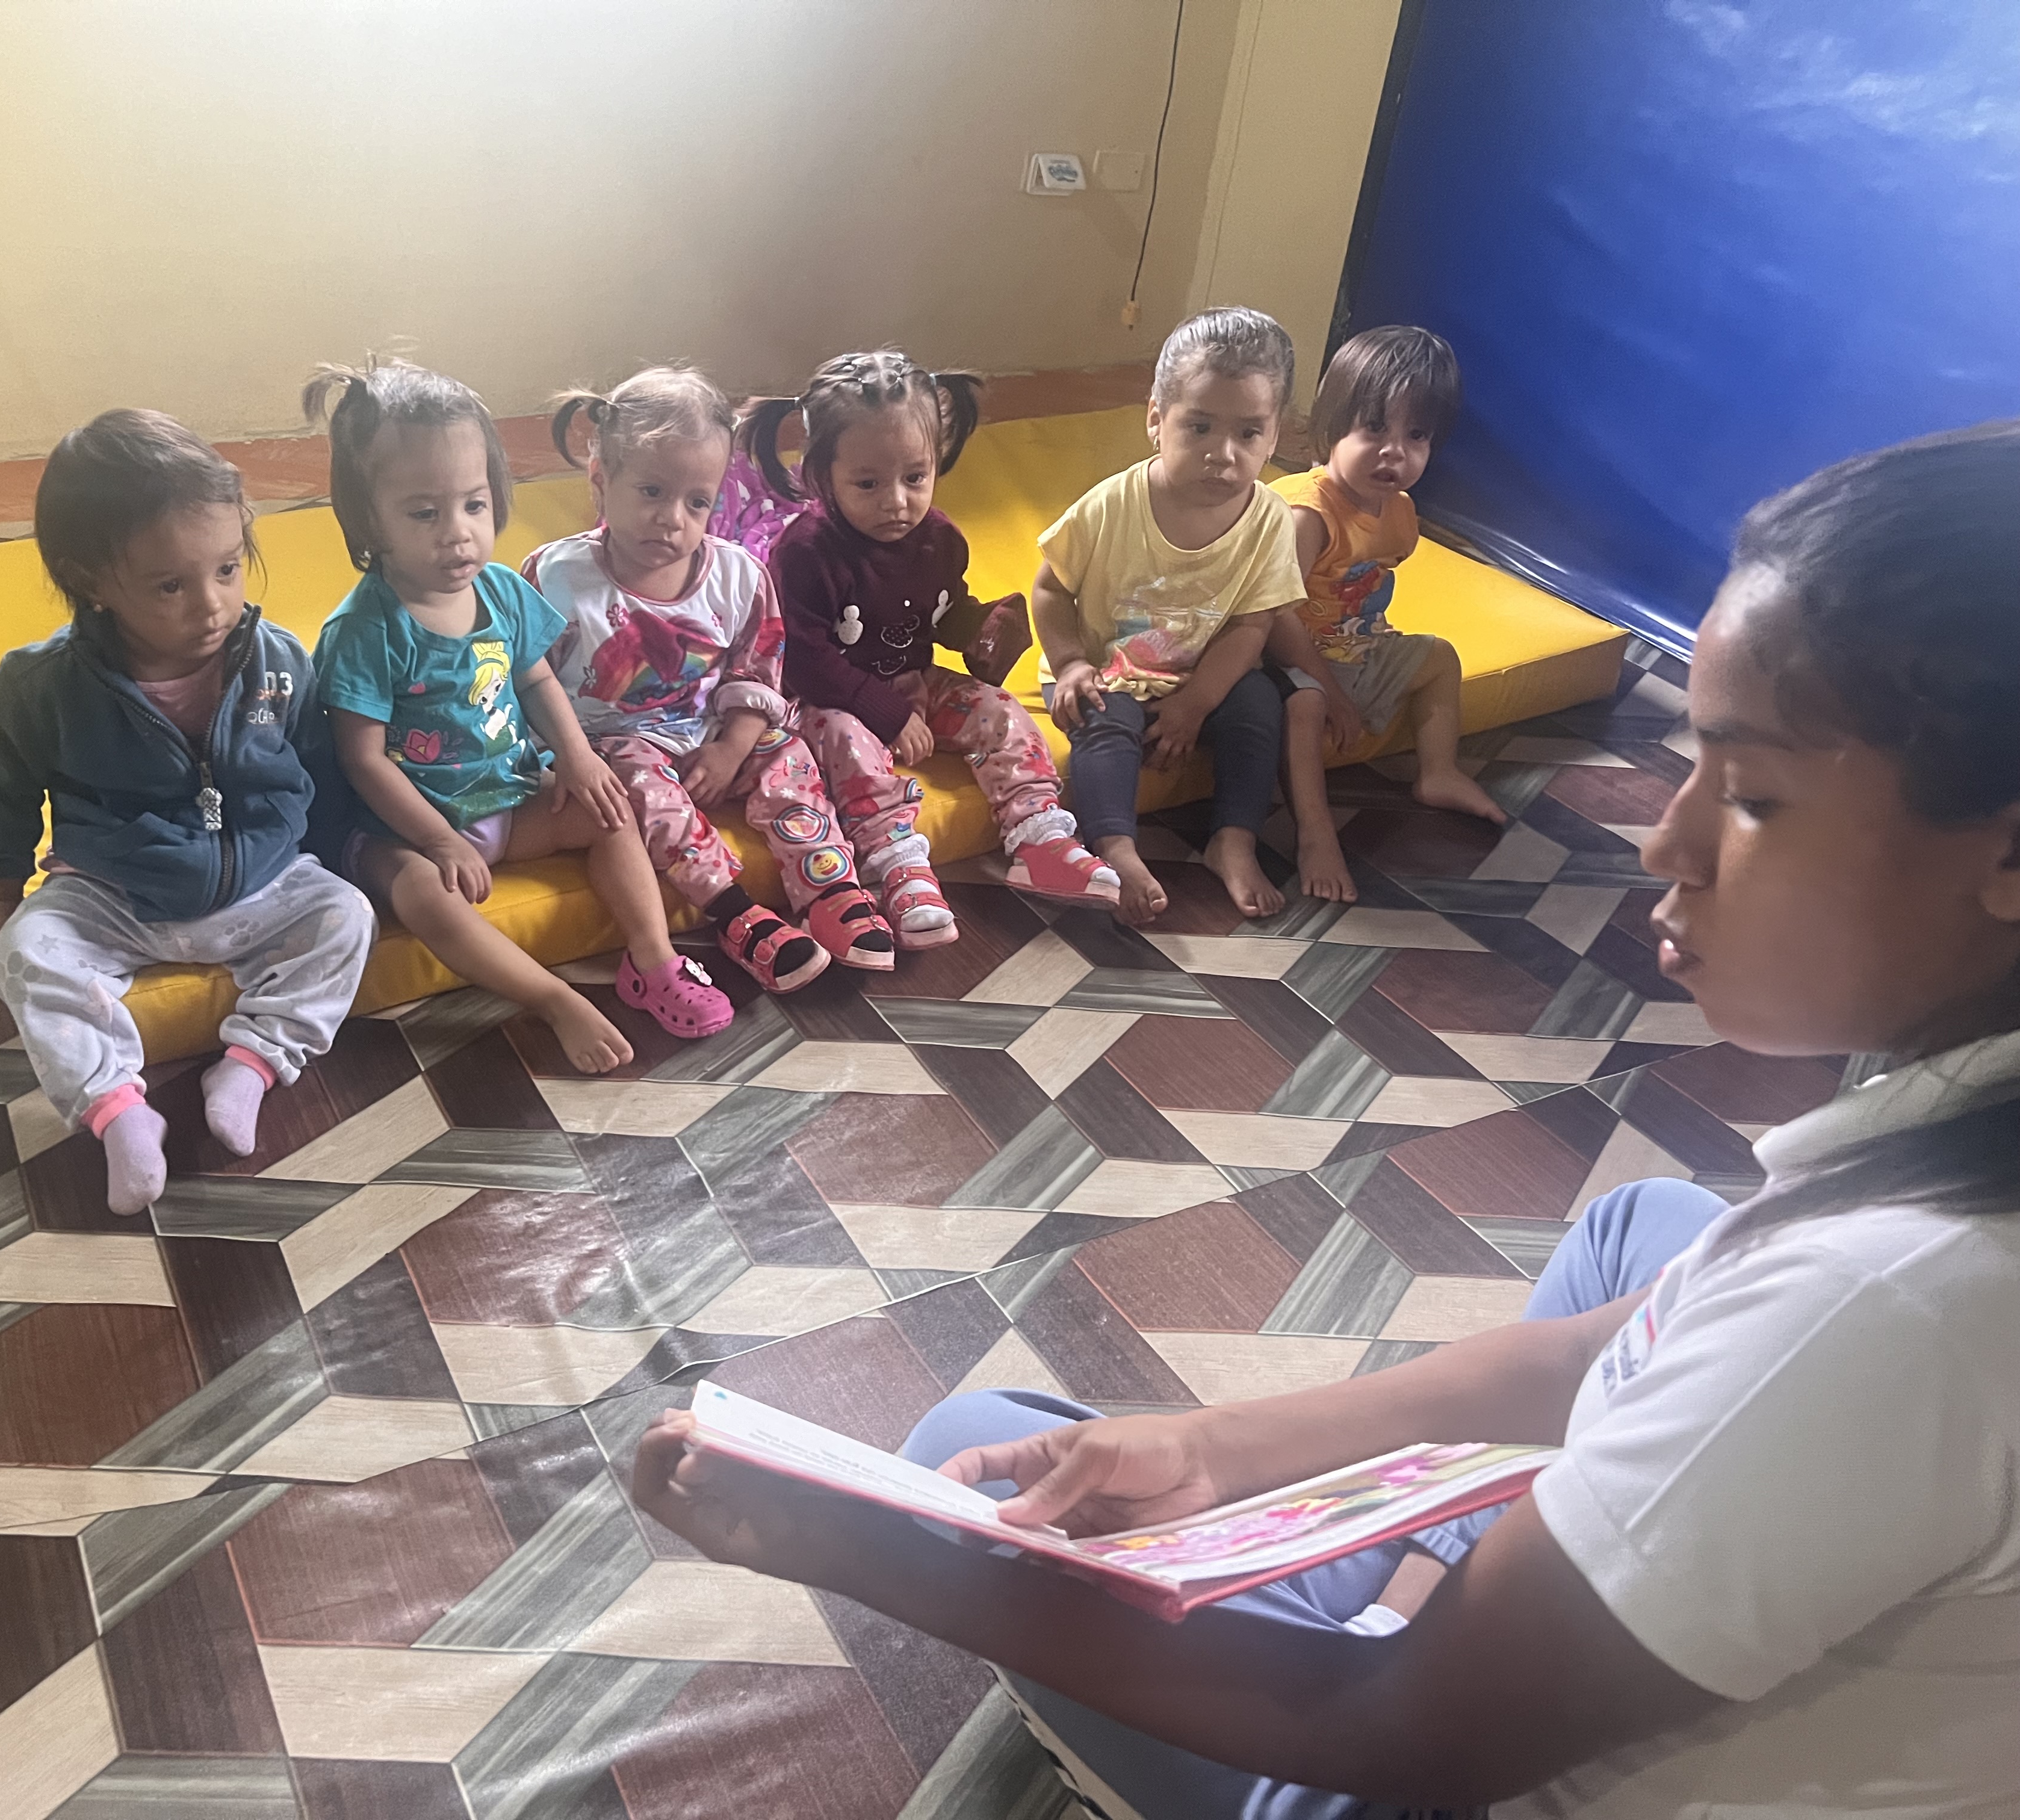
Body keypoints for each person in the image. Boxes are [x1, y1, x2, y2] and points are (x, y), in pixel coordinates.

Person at [636, 420, 2020, 1816]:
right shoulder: (1944, 1154)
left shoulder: (1888, 1315)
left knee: (965, 1456)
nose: (1668, 842)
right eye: (1693, 767)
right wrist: (1213, 1447)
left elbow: (1395, 1729)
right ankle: (1501, 1549)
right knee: (1651, 1228)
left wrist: (863, 1548)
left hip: (1415, 1764)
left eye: (1756, 796)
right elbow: (1619, 1342)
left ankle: (1435, 1596)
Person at [0, 409, 377, 1215]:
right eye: (170, 586)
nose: (212, 605)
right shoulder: (41, 686)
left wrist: (341, 855)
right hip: (113, 892)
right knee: (23, 955)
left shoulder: (277, 662)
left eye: (228, 569)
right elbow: (4, 786)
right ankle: (117, 1110)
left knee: (349, 916)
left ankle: (252, 1066)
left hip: (261, 882)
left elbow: (318, 767)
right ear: (92, 582)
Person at [303, 357, 707, 1074]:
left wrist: (578, 759)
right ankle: (552, 999)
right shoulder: (366, 628)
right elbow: (361, 758)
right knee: (423, 897)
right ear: (368, 519)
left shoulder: (500, 590)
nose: (457, 534)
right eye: (424, 513)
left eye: (474, 504)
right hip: (405, 829)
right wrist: (437, 841)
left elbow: (537, 678)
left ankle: (653, 961)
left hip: (511, 796)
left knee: (614, 809)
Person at [528, 366, 892, 998]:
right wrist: (568, 756)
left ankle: (831, 888)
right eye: (651, 491)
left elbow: (757, 669)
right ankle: (734, 913)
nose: (672, 519)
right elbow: (527, 679)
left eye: (697, 502)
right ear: (601, 480)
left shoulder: (739, 576)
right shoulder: (556, 576)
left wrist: (731, 748)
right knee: (631, 784)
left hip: (713, 734)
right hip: (612, 743)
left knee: (789, 754)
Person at [749, 349, 1116, 947]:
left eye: (915, 478)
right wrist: (887, 713)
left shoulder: (940, 537)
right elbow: (805, 660)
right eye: (868, 484)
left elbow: (938, 611)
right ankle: (896, 863)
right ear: (821, 476)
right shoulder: (804, 552)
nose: (896, 501)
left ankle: (1039, 837)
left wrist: (979, 628)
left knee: (1000, 710)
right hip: (827, 700)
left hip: (913, 682)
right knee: (846, 738)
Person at [1035, 309, 1307, 925]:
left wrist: (1197, 704)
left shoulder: (1269, 519)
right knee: (1104, 721)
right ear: (1157, 419)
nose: (1223, 454)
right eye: (1200, 427)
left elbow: (1251, 626)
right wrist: (1071, 663)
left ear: (1275, 436)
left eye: (1249, 433)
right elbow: (1049, 589)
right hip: (1110, 669)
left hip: (1203, 675)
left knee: (1261, 703)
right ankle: (1117, 850)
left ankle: (1232, 840)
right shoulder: (1112, 505)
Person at [1269, 327, 1506, 904]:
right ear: (1332, 426)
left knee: (1439, 657)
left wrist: (1369, 659)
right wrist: (1333, 692)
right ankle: (1316, 832)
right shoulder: (1308, 514)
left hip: (1357, 649)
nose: (1394, 451)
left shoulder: (1400, 512)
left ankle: (1439, 771)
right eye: (1374, 429)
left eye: (1416, 435)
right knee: (1304, 709)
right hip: (1289, 658)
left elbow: (1367, 598)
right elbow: (1274, 617)